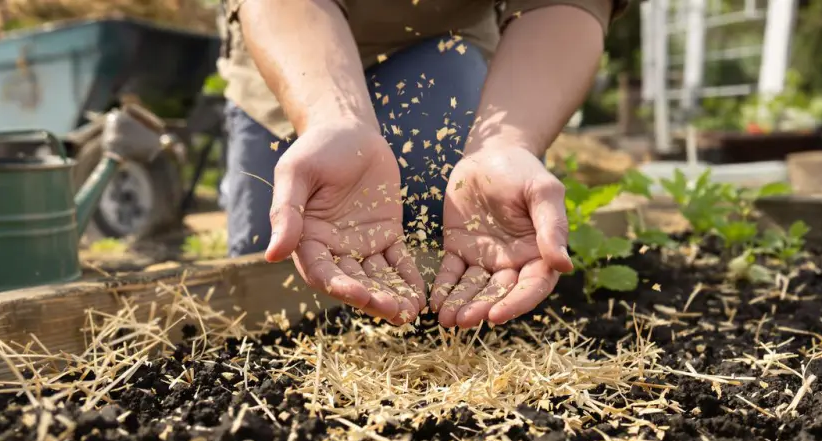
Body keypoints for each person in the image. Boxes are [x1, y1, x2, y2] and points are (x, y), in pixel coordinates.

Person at [215, 0, 628, 329]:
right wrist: (334, 120)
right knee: (266, 280)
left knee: (463, 209)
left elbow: (561, 5)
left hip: (440, 46)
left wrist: (507, 144)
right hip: (293, 51)